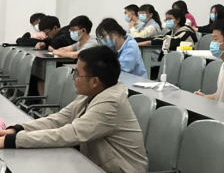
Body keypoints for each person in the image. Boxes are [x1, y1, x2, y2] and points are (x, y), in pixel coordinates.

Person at [0, 46, 149, 173]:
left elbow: (70, 134)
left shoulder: (111, 103)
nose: (73, 77)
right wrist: (16, 130)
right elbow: (60, 119)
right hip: (96, 165)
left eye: (77, 73)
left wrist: (12, 141)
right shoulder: (92, 93)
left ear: (94, 81)